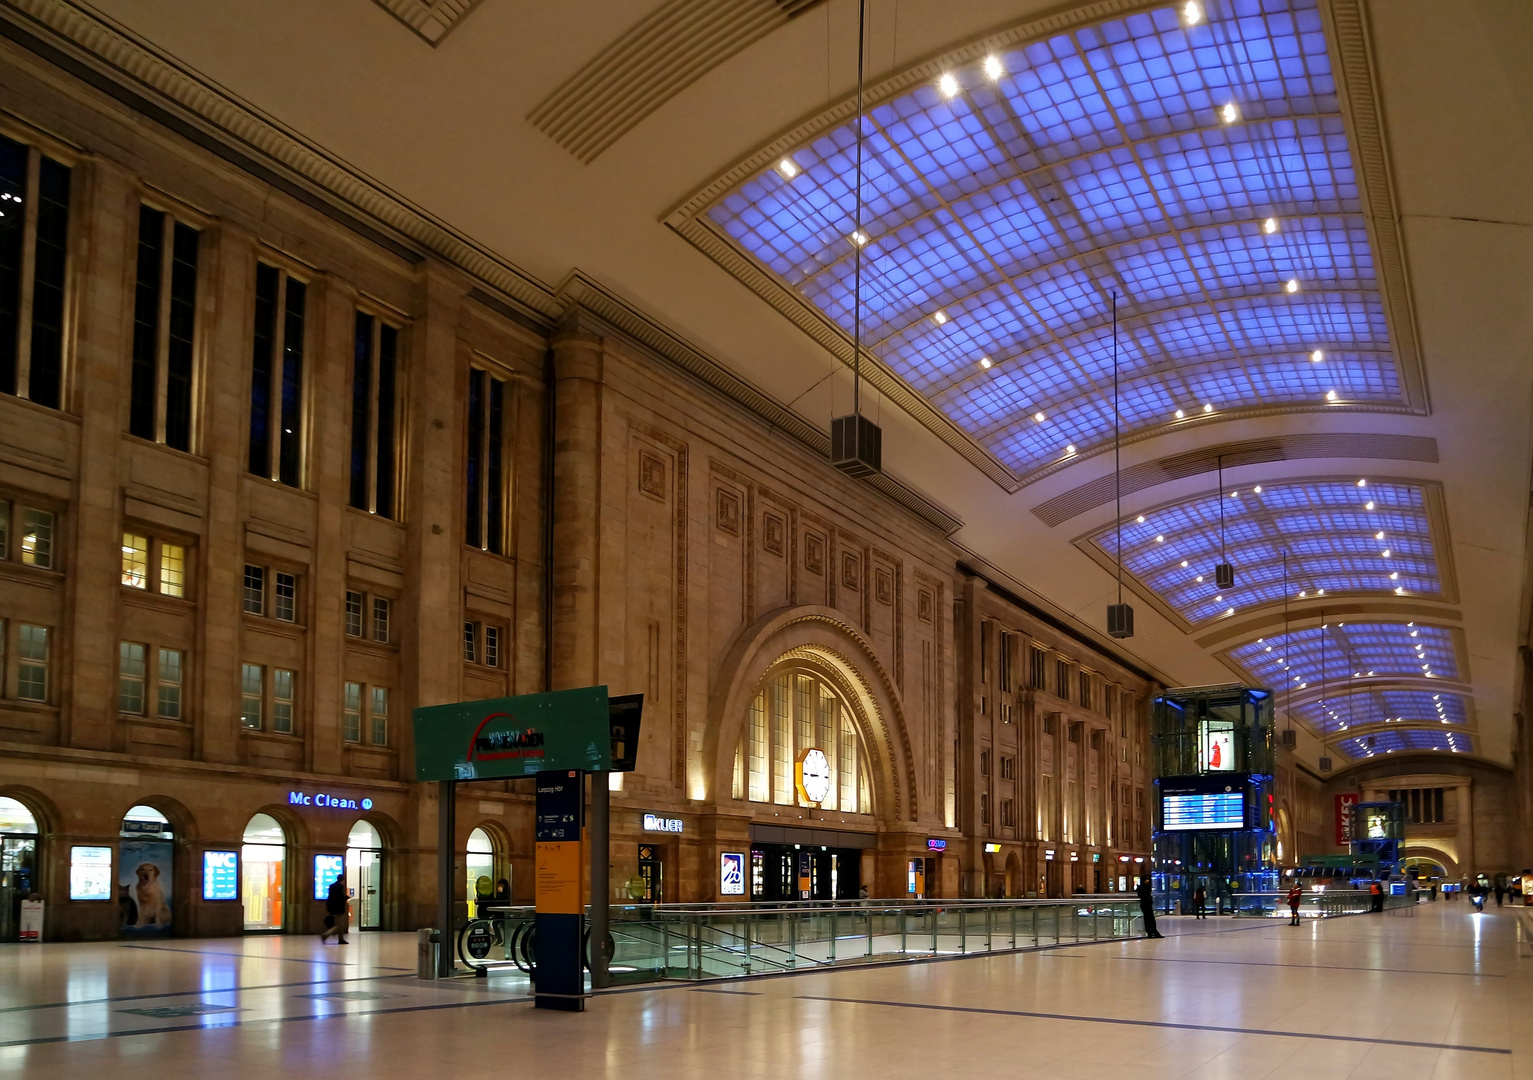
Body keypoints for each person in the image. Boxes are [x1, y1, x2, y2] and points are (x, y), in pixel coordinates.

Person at [319, 878, 349, 944]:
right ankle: (326, 935)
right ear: (342, 880)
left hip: (332, 908)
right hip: (338, 908)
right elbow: (340, 898)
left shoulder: (332, 886)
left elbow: (331, 898)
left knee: (338, 924)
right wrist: (347, 897)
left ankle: (341, 939)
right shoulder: (339, 887)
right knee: (339, 925)